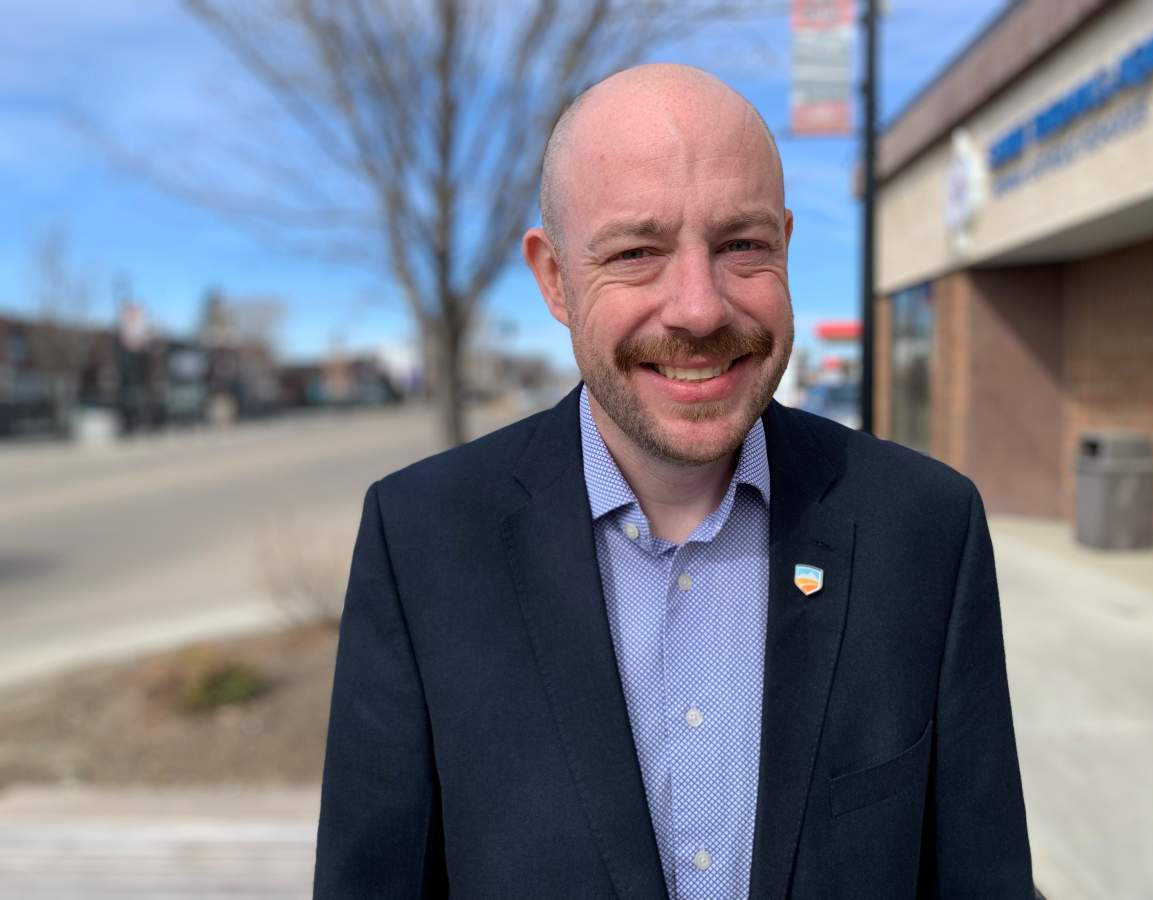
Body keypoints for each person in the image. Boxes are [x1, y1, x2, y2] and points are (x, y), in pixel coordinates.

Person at [314, 64, 1033, 899]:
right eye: (636, 252)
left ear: (786, 248)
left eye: (741, 245)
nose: (698, 308)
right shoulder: (423, 542)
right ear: (554, 279)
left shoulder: (925, 529)